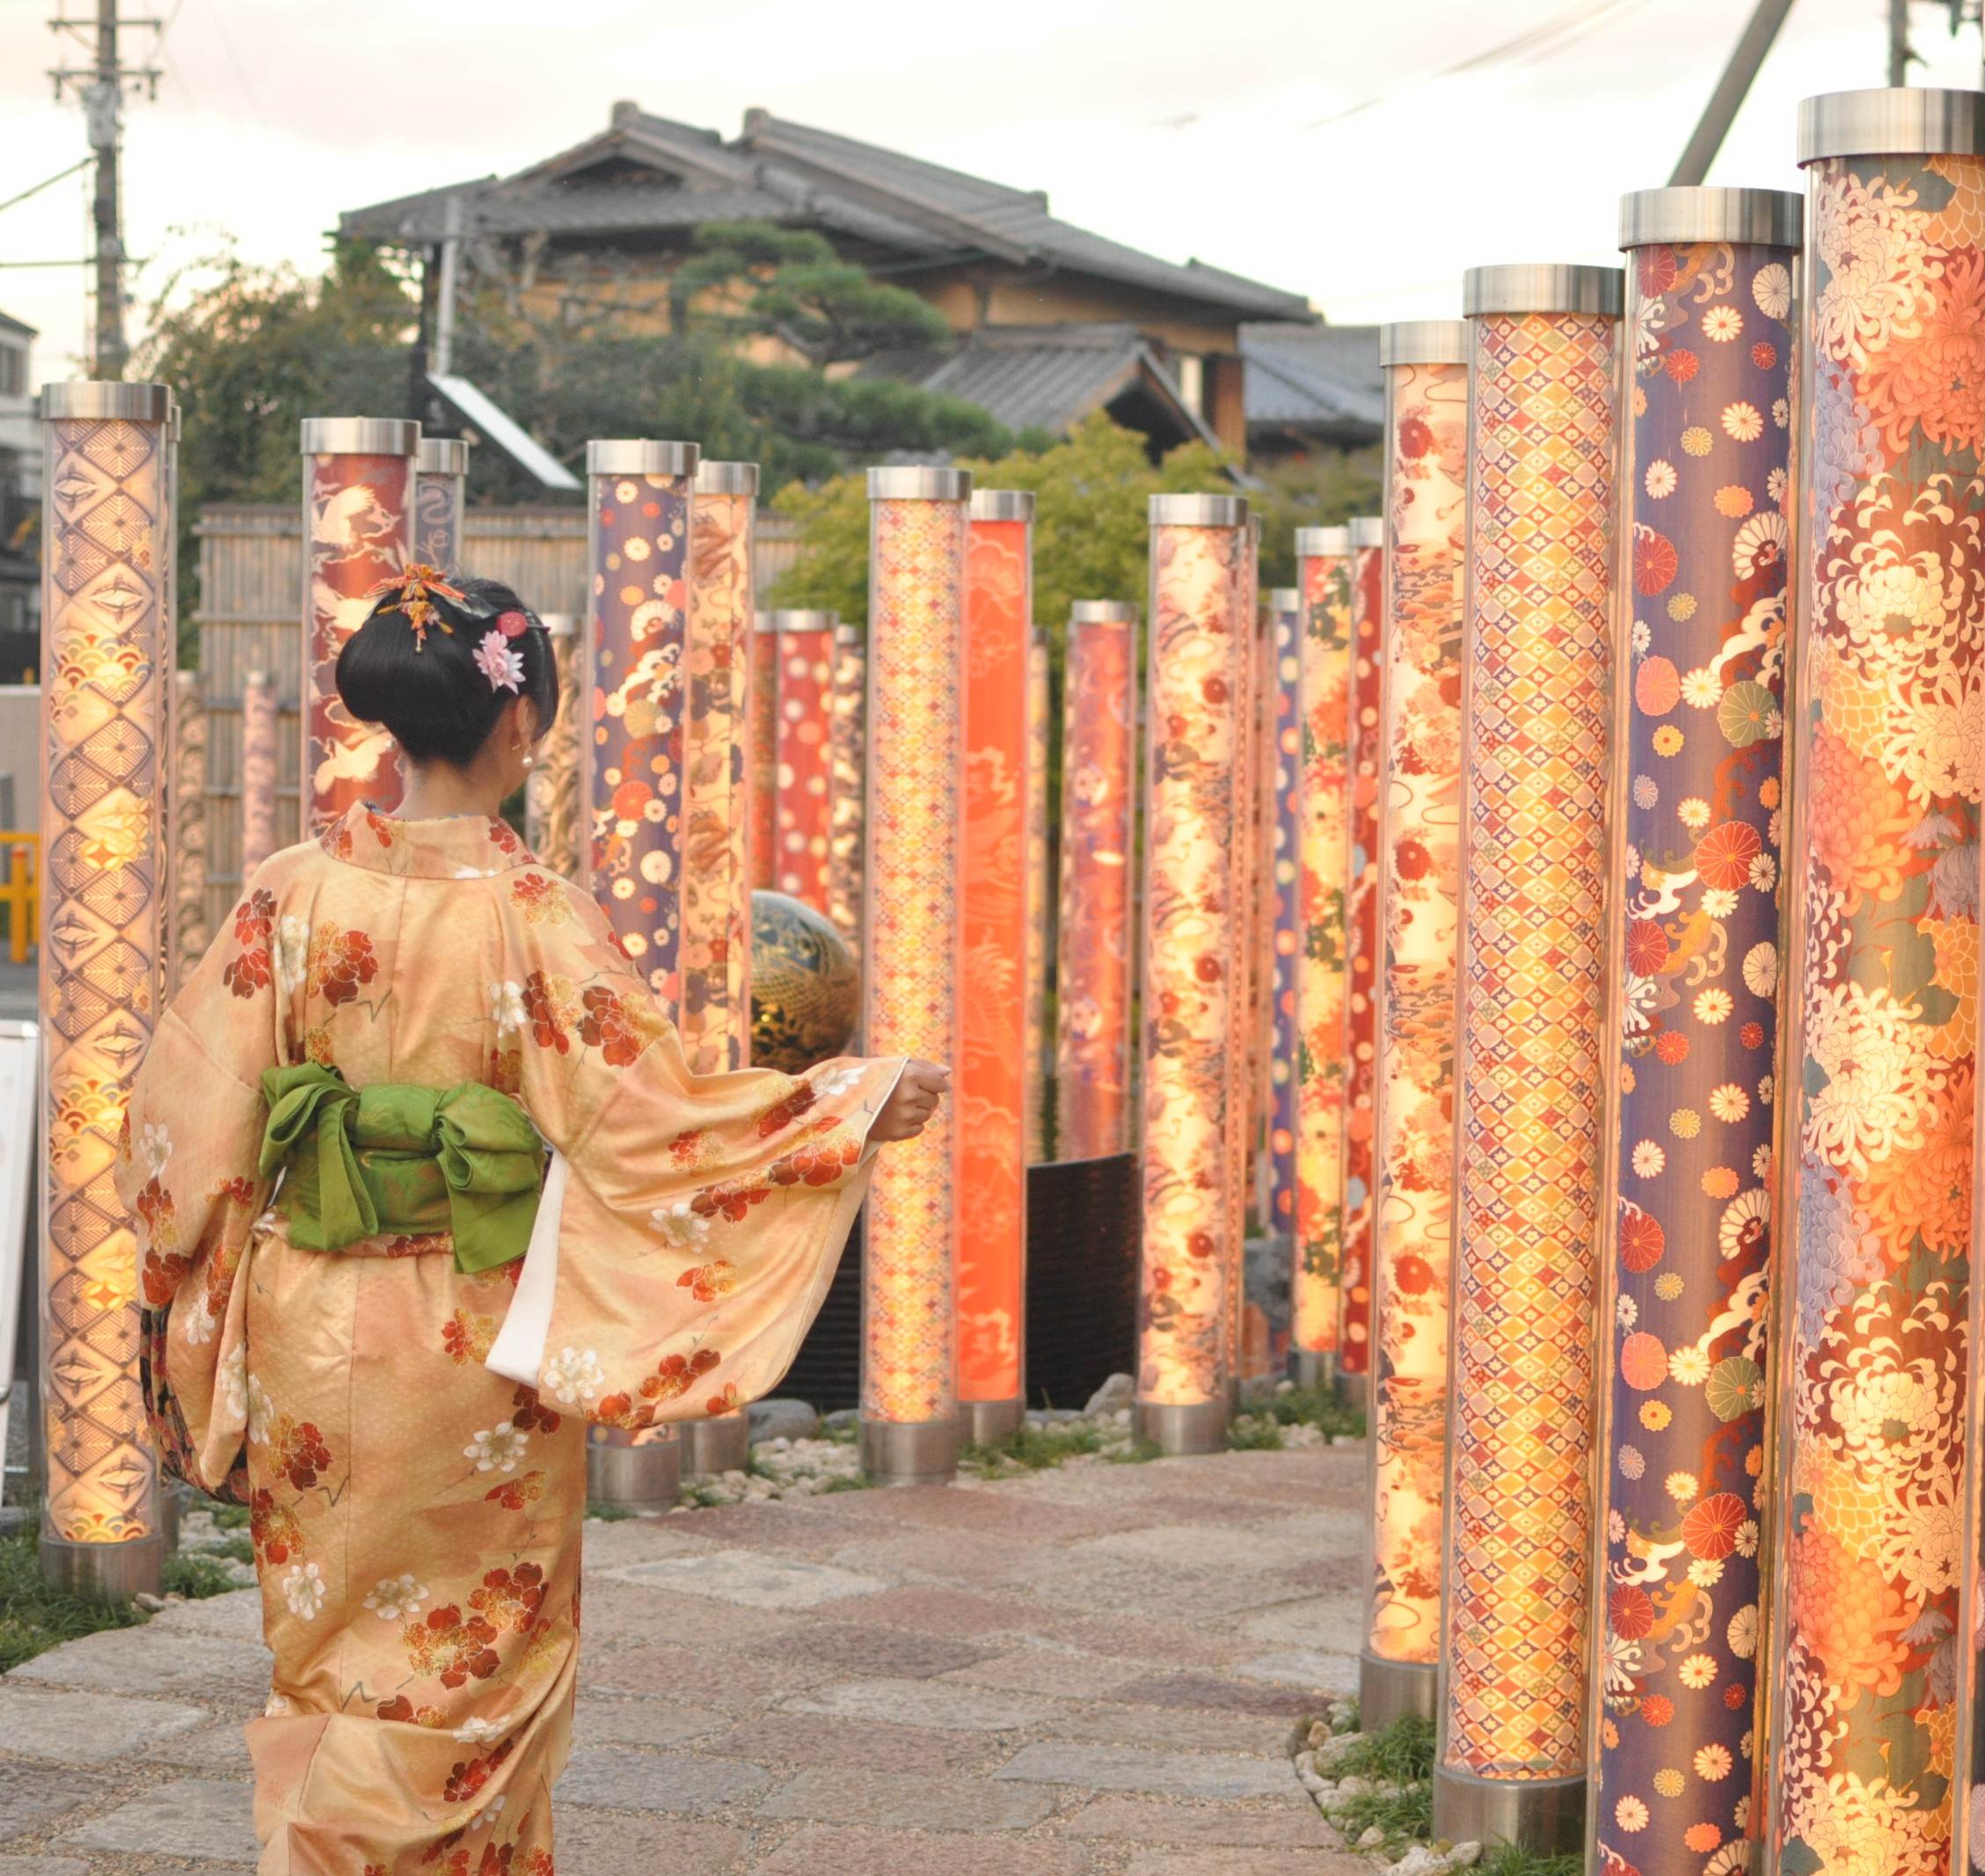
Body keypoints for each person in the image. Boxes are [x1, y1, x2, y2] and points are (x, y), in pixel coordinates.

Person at [113, 567, 947, 1875]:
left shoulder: (288, 890)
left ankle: (316, 1843)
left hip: (304, 1315)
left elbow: (187, 1132)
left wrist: (188, 1305)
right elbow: (649, 1124)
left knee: (329, 1654)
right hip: (465, 1336)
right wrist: (839, 1107)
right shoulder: (531, 916)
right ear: (523, 723)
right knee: (469, 1675)